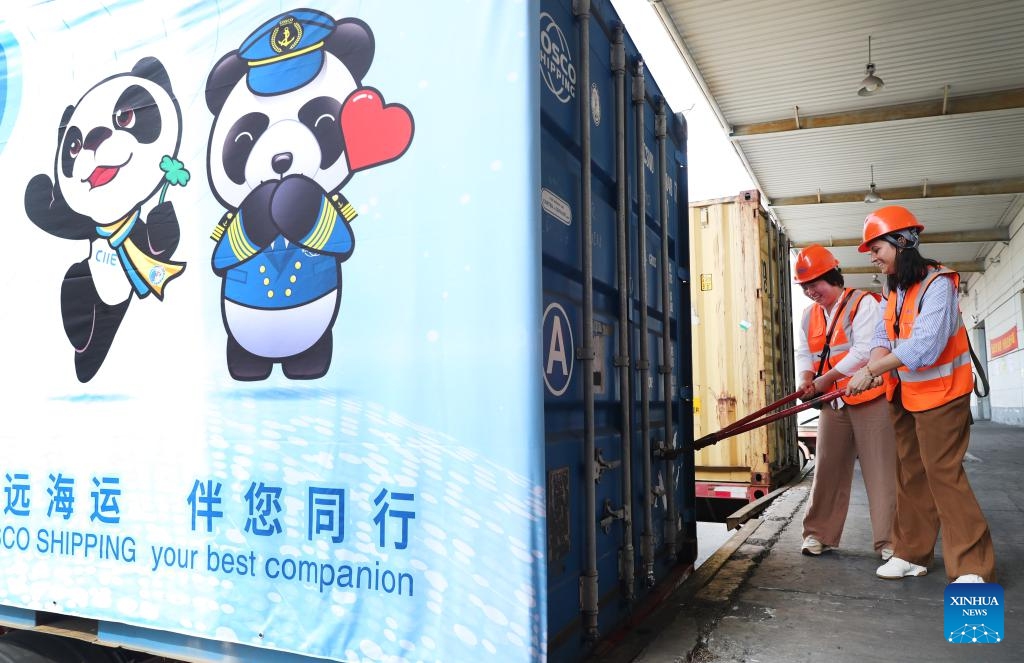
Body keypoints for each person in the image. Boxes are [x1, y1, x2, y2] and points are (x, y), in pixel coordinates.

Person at [847, 205, 996, 584]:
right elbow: (883, 335)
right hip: (904, 396)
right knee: (910, 474)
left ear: (902, 242)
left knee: (943, 474)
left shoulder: (938, 284)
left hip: (942, 397)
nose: (874, 258)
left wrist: (870, 370)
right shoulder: (893, 287)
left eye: (877, 248)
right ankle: (912, 554)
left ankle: (972, 566)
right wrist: (874, 365)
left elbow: (925, 347)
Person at [793, 244, 896, 560]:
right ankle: (817, 534)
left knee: (881, 471)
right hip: (833, 403)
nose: (812, 291)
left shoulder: (863, 303)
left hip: (870, 398)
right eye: (806, 286)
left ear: (833, 276)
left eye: (816, 283)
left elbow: (866, 350)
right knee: (827, 469)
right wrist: (806, 378)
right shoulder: (809, 315)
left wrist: (825, 378)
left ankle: (889, 542)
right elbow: (804, 353)